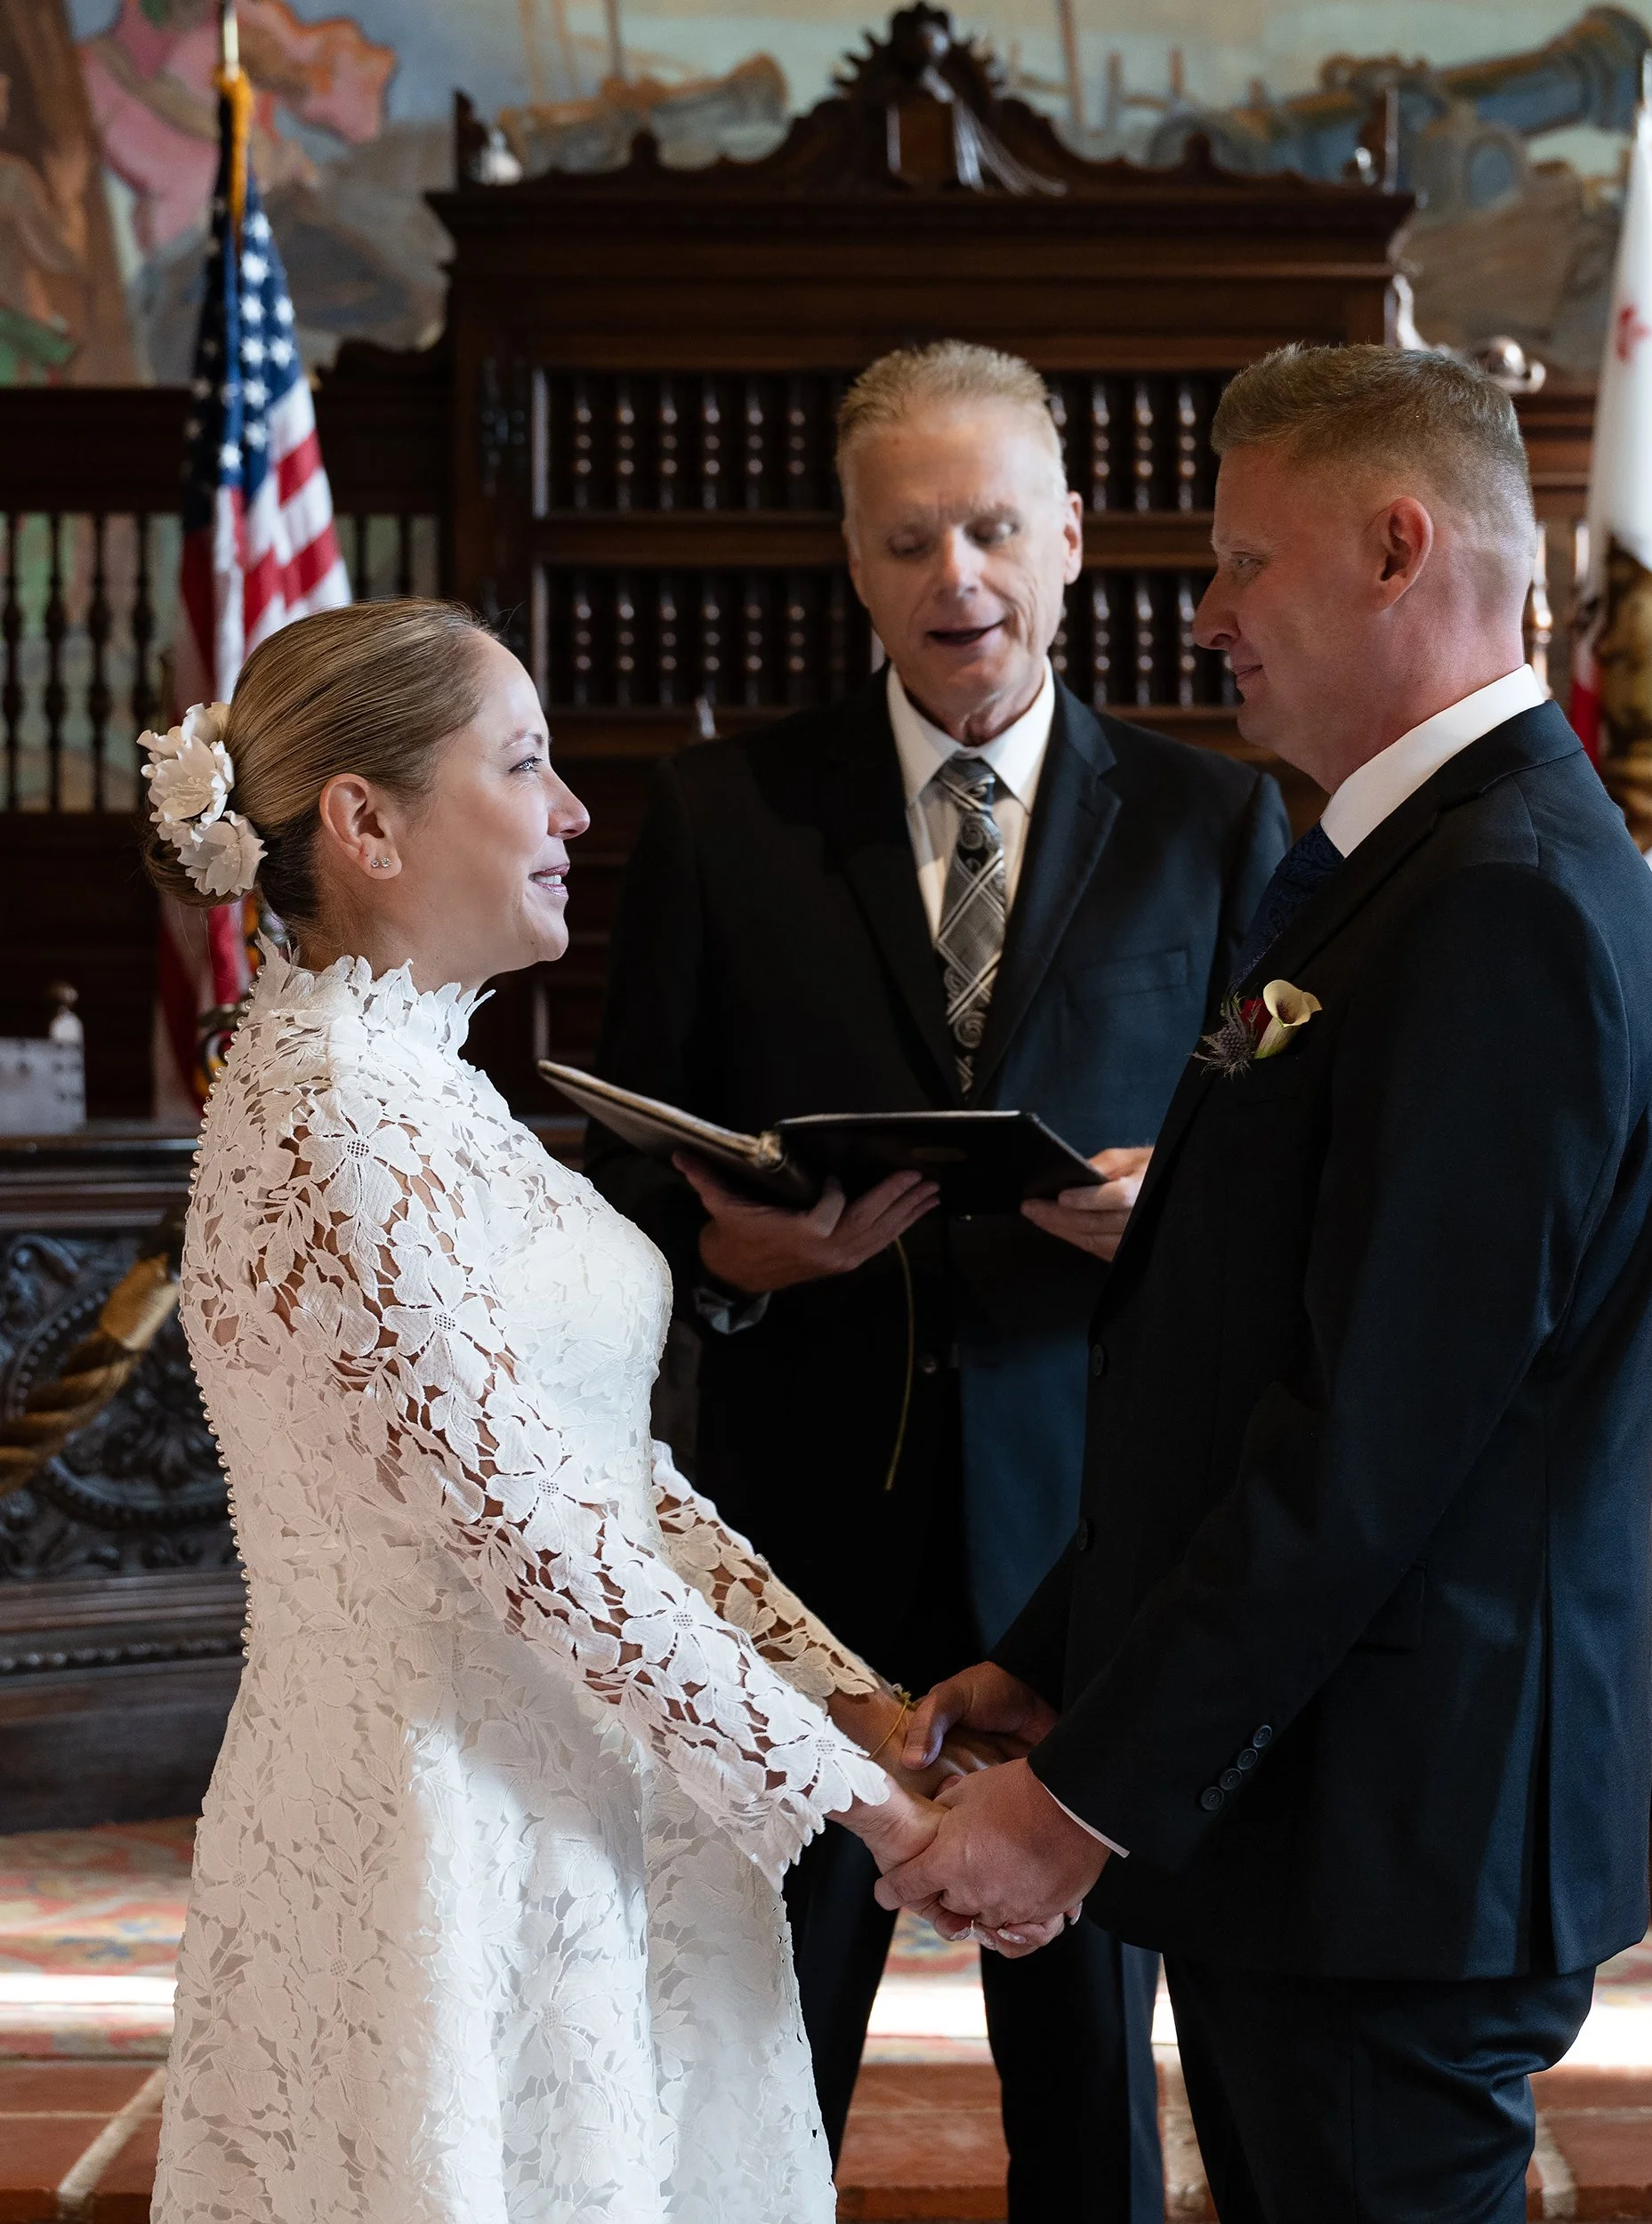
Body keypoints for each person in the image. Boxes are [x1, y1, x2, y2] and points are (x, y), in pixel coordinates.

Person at [877, 344, 1652, 2223]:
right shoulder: (1397, 865)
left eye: (1243, 558)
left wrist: (1078, 1800)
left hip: (1398, 1832)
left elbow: (1369, 1444)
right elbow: (1242, 1349)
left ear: (1395, 546)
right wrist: (1059, 1662)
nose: (1205, 611)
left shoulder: (1500, 903)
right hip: (1316, 1818)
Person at [142, 599, 1049, 2224]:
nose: (572, 811)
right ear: (365, 821)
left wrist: (858, 1701)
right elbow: (542, 1542)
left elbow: (617, 1480)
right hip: (436, 1832)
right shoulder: (333, 1114)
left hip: (576, 1789)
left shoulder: (432, 1088)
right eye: (525, 762)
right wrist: (884, 1817)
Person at [587, 340, 1289, 2222]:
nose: (955, 576)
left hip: (1092, 1532)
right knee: (763, 2038)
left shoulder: (1220, 826)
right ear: (853, 557)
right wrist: (727, 1260)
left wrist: (1181, 1215)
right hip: (803, 1530)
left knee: (1085, 2074)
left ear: (1068, 541)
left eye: (991, 528)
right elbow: (620, 1181)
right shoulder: (730, 815)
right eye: (909, 539)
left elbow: (1293, 1179)